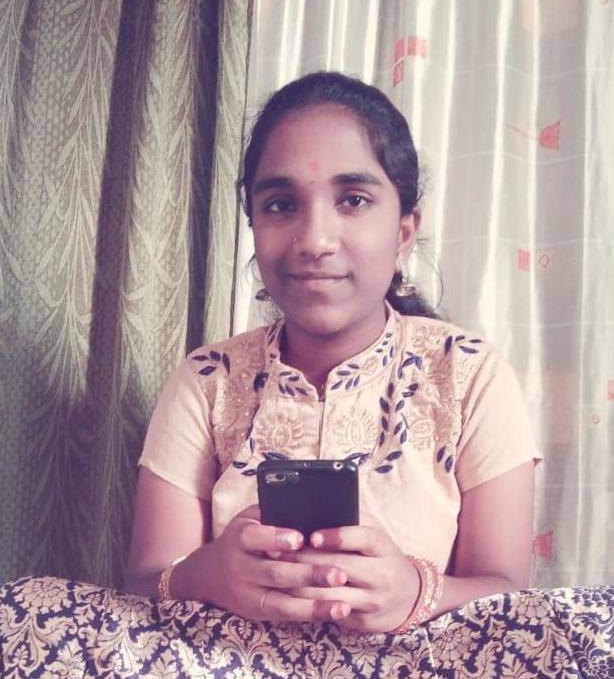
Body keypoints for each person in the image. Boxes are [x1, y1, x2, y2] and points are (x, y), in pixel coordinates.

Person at [125, 71, 541, 634]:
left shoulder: (468, 374)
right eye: (280, 205)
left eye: (353, 200)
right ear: (254, 226)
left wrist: (415, 591)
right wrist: (209, 573)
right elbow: (145, 584)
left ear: (403, 232)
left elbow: (509, 596)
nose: (315, 241)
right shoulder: (208, 380)